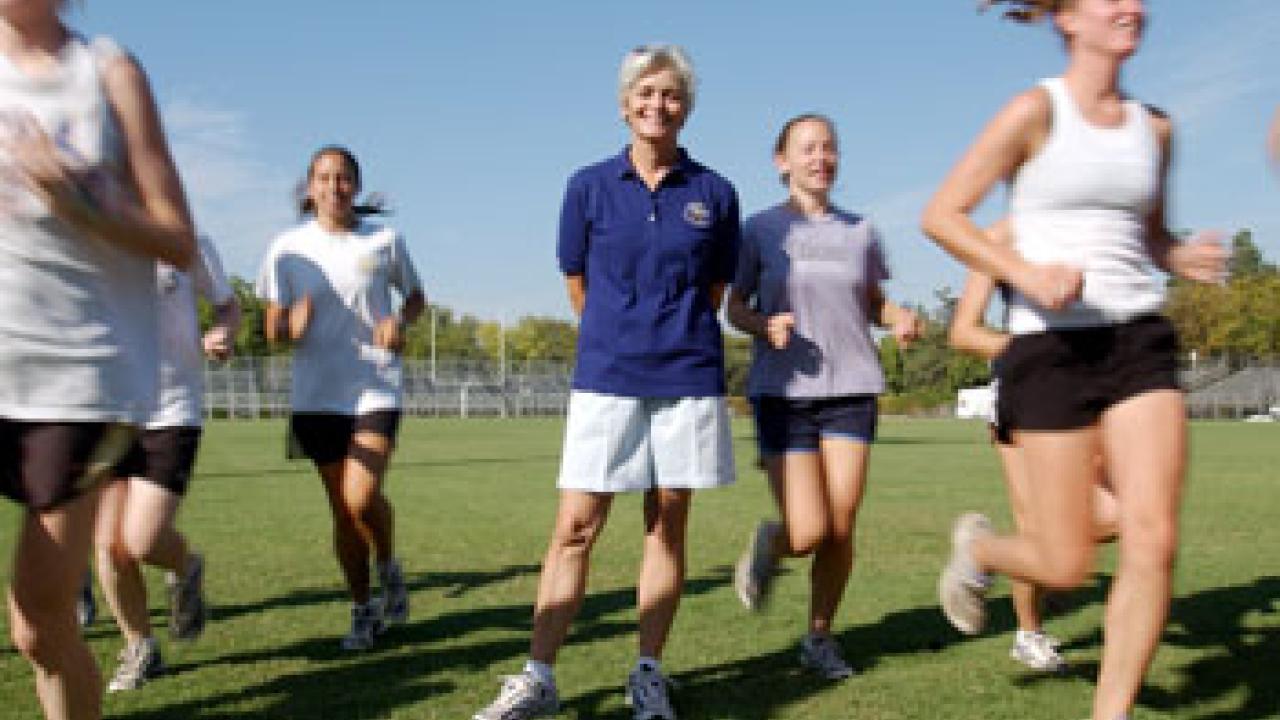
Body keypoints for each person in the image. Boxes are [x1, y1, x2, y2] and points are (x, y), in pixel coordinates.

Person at [921, 2, 1228, 719]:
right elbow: (941, 214)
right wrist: (1024, 274)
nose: (1132, 7)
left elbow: (1150, 236)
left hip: (1138, 339)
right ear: (1066, 19)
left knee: (1152, 536)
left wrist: (1179, 256)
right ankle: (983, 551)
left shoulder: (1156, 129)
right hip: (1051, 349)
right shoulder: (1035, 112)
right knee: (1064, 562)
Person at [474, 44, 739, 720]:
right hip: (607, 377)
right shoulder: (587, 186)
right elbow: (577, 283)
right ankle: (538, 677)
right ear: (625, 105)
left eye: (670, 94)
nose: (657, 105)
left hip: (687, 376)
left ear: (686, 107)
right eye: (645, 93)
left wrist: (667, 333)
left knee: (667, 528)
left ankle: (648, 674)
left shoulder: (715, 193)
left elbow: (714, 291)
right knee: (574, 527)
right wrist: (619, 336)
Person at [0, 1, 197, 717]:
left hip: (76, 382)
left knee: (39, 627)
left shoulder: (107, 74)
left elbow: (178, 239)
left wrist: (80, 201)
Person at [726, 113, 920, 680]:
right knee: (807, 530)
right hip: (783, 392)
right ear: (782, 161)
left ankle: (819, 637)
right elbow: (733, 306)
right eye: (808, 149)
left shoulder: (861, 231)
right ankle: (772, 543)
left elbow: (874, 302)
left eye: (828, 148)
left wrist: (899, 317)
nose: (820, 158)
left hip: (852, 387)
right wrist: (763, 325)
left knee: (841, 523)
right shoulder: (760, 229)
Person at [256, 145, 425, 651]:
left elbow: (416, 298)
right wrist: (290, 325)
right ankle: (362, 610)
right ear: (310, 188)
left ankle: (387, 563)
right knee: (344, 512)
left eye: (343, 177)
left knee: (360, 497)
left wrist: (400, 321)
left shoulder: (384, 240)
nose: (334, 187)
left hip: (375, 386)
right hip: (316, 397)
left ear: (356, 184)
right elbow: (271, 328)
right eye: (324, 178)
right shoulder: (286, 248)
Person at [947, 220, 1118, 673]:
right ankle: (1028, 634)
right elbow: (964, 331)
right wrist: (1032, 352)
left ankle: (988, 551)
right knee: (1036, 527)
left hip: (1090, 392)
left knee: (1120, 514)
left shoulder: (1095, 227)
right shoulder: (1001, 237)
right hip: (1026, 395)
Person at [92, 233, 239, 691]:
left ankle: (185, 564)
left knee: (141, 538)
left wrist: (224, 333)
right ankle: (140, 647)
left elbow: (227, 306)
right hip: (104, 409)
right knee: (107, 545)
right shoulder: (87, 231)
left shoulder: (188, 238)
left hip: (170, 409)